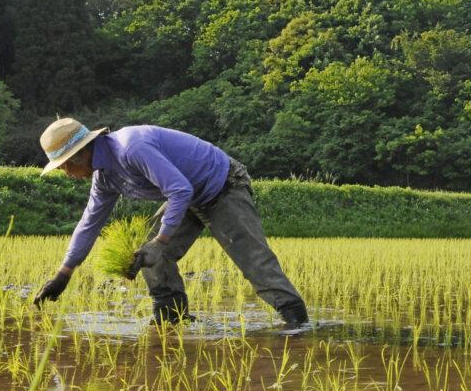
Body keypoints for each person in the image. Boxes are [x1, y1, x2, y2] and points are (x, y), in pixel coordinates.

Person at [31, 117, 309, 327]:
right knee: (149, 255)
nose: (66, 173)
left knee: (254, 261)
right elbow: (89, 222)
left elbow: (179, 190)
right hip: (188, 197)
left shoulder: (131, 147)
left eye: (65, 165)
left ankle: (298, 325)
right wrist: (63, 275)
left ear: (80, 153)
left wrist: (161, 241)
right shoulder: (104, 175)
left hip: (222, 186)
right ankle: (172, 318)